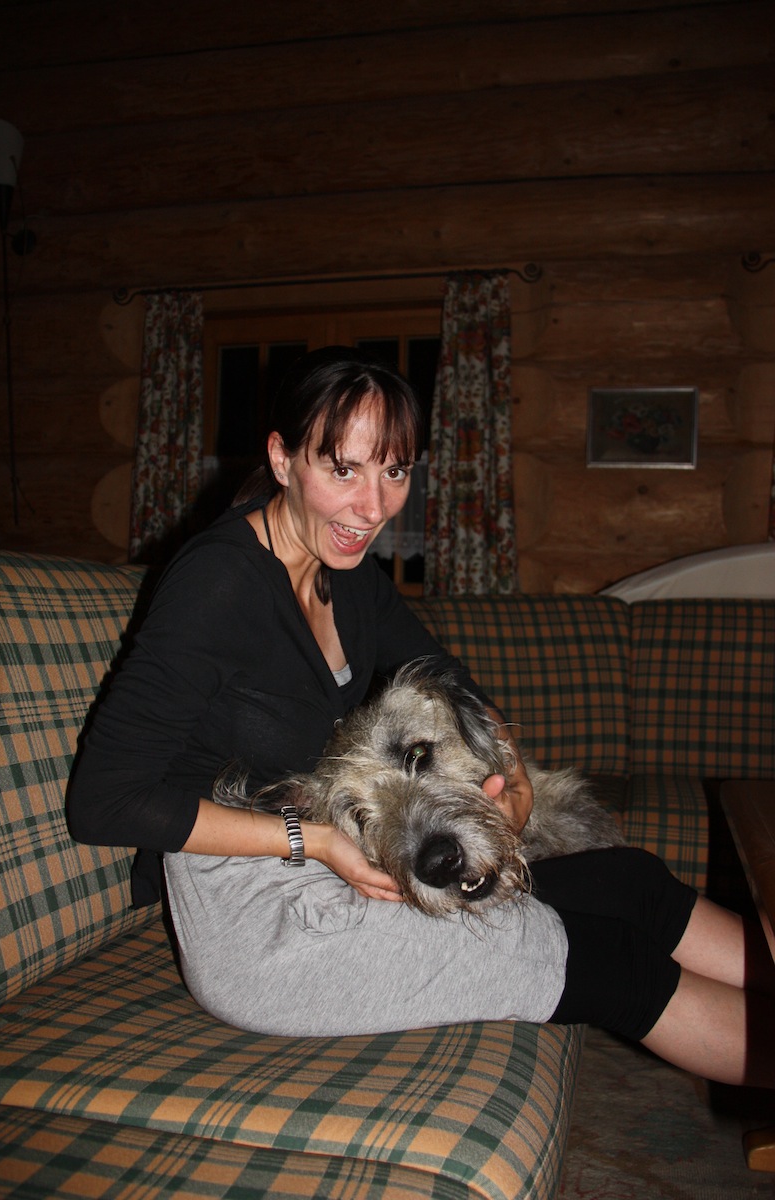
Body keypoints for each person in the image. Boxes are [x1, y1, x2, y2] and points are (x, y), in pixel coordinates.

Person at [68, 346, 775, 1087]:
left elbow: (443, 672)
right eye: (344, 470)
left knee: (628, 883)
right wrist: (316, 840)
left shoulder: (343, 572)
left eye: (395, 472)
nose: (373, 508)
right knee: (611, 962)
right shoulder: (217, 584)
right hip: (263, 918)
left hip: (332, 870)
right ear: (282, 459)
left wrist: (510, 771)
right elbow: (103, 801)